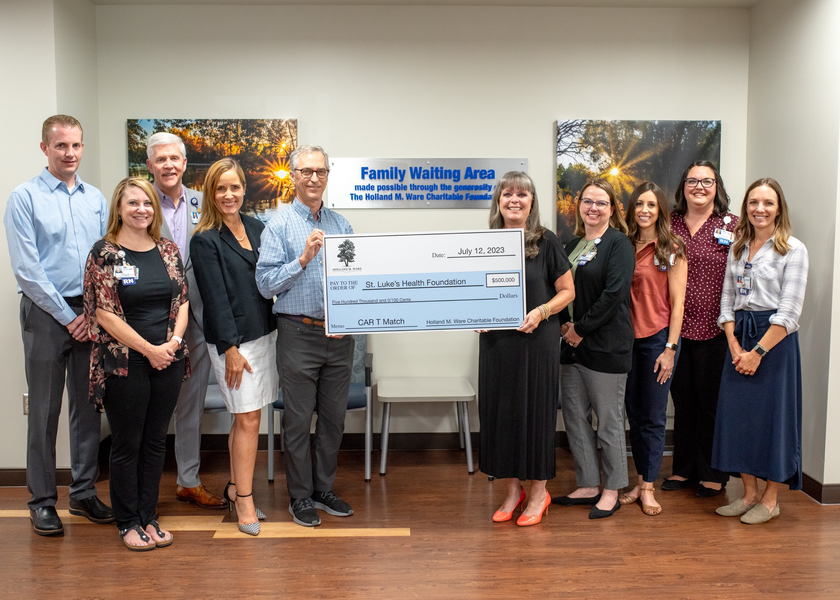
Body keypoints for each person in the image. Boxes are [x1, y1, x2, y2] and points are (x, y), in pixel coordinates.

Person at [4, 115, 114, 536]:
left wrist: (95, 312)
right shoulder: (24, 197)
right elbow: (27, 270)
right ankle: (42, 501)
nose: (70, 153)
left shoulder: (96, 199)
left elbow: (104, 257)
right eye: (61, 146)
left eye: (76, 146)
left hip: (90, 313)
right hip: (46, 314)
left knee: (88, 409)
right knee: (45, 410)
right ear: (44, 148)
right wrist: (70, 318)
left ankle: (84, 493)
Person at [84, 177, 190, 551]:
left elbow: (182, 301)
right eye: (132, 203)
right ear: (119, 208)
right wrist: (149, 349)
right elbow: (104, 314)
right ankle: (128, 521)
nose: (141, 209)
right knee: (127, 443)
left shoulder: (167, 249)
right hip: (123, 362)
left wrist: (173, 344)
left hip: (169, 360)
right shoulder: (104, 252)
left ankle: (149, 517)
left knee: (156, 441)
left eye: (147, 202)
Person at [256, 145, 356, 528]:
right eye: (306, 171)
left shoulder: (342, 225)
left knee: (332, 420)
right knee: (297, 420)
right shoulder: (278, 226)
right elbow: (265, 285)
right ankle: (299, 497)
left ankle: (322, 489)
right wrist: (302, 259)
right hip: (297, 332)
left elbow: (354, 281)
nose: (314, 178)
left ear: (328, 176)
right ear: (294, 176)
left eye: (321, 171)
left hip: (338, 335)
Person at [479, 172, 575, 527]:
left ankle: (538, 492)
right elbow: (474, 291)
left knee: (534, 416)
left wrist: (542, 311)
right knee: (502, 415)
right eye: (508, 194)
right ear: (499, 201)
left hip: (538, 343)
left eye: (522, 194)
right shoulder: (486, 242)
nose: (514, 200)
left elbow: (568, 292)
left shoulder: (546, 241)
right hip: (497, 344)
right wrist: (473, 314)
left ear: (532, 201)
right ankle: (512, 491)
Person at [712, 178, 808, 524]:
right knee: (738, 418)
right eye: (753, 202)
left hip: (774, 342)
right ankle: (748, 494)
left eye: (767, 203)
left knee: (772, 420)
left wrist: (757, 353)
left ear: (779, 207)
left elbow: (790, 312)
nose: (759, 209)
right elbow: (726, 300)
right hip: (740, 333)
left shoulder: (793, 250)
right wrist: (735, 344)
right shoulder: (738, 247)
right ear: (745, 207)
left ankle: (770, 499)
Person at [190, 159, 278, 536]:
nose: (229, 195)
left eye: (235, 187)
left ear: (245, 190)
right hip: (234, 342)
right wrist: (229, 348)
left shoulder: (258, 228)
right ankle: (243, 499)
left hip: (265, 334)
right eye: (220, 188)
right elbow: (214, 298)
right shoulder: (205, 239)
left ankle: (232, 486)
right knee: (247, 419)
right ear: (211, 193)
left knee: (248, 417)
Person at [145, 132, 225, 509]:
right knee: (150, 401)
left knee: (190, 402)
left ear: (183, 162)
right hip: (151, 319)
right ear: (150, 165)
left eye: (174, 159)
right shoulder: (139, 202)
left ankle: (188, 479)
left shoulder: (202, 202)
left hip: (197, 316)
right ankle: (144, 483)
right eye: (160, 159)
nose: (168, 165)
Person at [554, 178, 635, 519]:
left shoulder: (619, 244)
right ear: (579, 206)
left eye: (601, 202)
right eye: (588, 201)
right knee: (574, 417)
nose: (593, 208)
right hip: (571, 348)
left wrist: (581, 330)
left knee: (609, 421)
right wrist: (564, 328)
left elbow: (613, 294)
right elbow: (559, 288)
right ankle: (588, 484)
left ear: (612, 208)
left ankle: (613, 488)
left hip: (605, 347)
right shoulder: (571, 245)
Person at [665, 160, 738, 497]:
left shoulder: (732, 225)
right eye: (692, 180)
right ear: (683, 186)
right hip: (674, 328)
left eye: (706, 181)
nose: (699, 187)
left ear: (716, 187)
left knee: (711, 402)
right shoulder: (669, 224)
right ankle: (683, 469)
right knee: (682, 400)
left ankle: (712, 472)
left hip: (716, 327)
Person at [619, 182, 687, 516]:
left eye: (651, 205)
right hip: (624, 343)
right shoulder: (622, 245)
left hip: (657, 341)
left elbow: (678, 305)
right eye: (639, 205)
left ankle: (648, 487)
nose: (645, 210)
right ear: (631, 210)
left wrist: (670, 349)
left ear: (660, 210)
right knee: (633, 414)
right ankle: (639, 479)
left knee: (653, 417)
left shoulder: (671, 247)